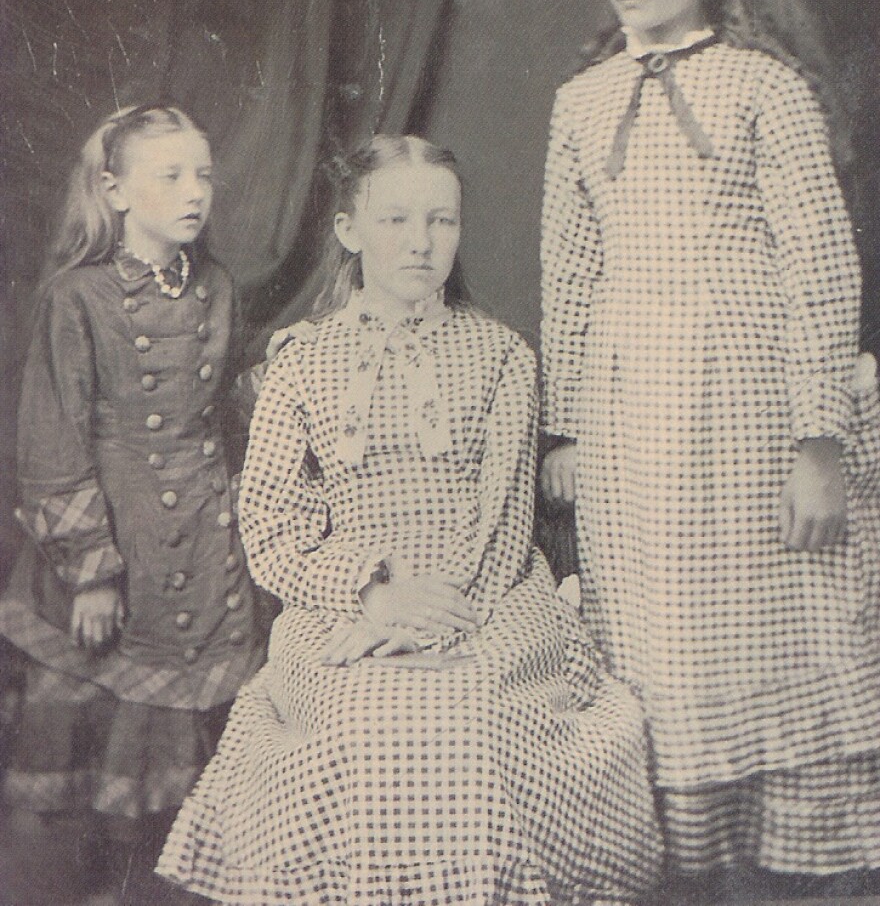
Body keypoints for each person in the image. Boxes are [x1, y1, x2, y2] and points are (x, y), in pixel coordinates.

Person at [157, 134, 662, 906]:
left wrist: (432, 618)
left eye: (442, 222)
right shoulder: (301, 361)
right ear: (350, 231)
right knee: (365, 711)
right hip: (342, 605)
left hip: (487, 597)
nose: (422, 244)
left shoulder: (502, 356)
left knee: (464, 709)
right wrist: (371, 596)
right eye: (395, 221)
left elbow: (501, 518)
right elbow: (270, 525)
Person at [540, 0, 880, 888]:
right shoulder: (580, 102)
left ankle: (786, 872)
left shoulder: (763, 89)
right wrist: (564, 430)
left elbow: (821, 270)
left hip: (753, 413)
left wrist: (816, 439)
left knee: (777, 629)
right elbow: (567, 270)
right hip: (631, 417)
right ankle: (678, 868)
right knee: (659, 642)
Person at [0, 105, 264, 905]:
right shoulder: (75, 298)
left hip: (199, 541)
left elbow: (226, 402)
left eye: (204, 175)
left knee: (185, 792)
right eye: (171, 176)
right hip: (121, 549)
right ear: (114, 191)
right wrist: (91, 574)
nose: (195, 193)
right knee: (92, 767)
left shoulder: (214, 284)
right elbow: (50, 447)